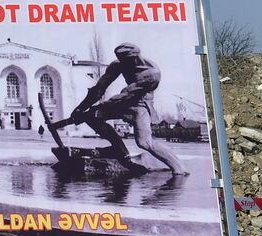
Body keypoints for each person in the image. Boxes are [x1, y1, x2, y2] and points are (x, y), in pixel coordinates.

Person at [52, 42, 189, 176]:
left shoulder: (151, 74)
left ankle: (178, 168)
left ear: (135, 58)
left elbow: (127, 94)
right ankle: (119, 150)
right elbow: (99, 89)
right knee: (91, 116)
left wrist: (100, 108)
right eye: (121, 60)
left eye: (126, 61)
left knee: (144, 142)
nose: (123, 64)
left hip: (140, 105)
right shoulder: (118, 64)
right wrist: (80, 109)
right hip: (123, 102)